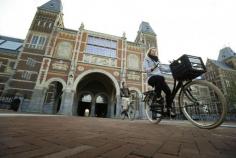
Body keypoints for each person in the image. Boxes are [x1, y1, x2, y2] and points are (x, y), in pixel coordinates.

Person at [143, 47, 176, 117]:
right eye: (152, 51)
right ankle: (158, 97)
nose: (154, 52)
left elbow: (163, 68)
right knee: (159, 78)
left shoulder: (157, 60)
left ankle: (168, 109)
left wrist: (172, 66)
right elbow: (146, 69)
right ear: (149, 52)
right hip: (151, 78)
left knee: (168, 92)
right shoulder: (147, 59)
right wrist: (152, 68)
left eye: (155, 51)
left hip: (160, 78)